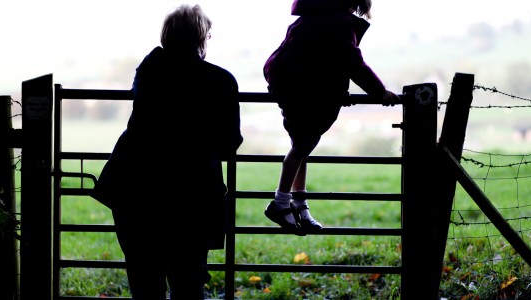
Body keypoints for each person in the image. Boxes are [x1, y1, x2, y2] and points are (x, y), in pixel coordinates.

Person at [90, 4, 242, 299]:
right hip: (192, 194)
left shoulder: (148, 72)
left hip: (135, 189)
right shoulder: (221, 80)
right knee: (187, 281)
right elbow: (229, 142)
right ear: (202, 38)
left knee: (145, 280)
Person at [262, 0, 399, 236]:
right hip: (302, 91)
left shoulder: (311, 18)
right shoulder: (337, 23)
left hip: (290, 85)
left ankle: (299, 205)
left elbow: (319, 61)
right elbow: (352, 62)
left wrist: (336, 91)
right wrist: (379, 92)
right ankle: (281, 202)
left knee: (302, 145)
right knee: (302, 145)